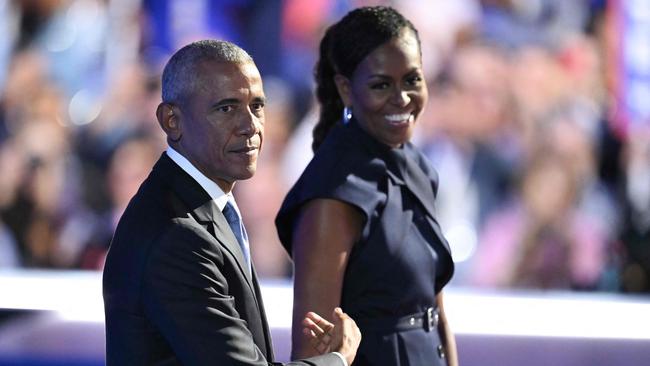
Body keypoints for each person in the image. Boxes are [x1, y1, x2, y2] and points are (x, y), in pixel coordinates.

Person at [102, 40, 361, 366]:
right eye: (226, 108)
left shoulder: (203, 207)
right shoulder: (177, 236)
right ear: (172, 120)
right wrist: (338, 359)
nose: (250, 125)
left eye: (257, 106)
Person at [276, 6, 457, 366]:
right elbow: (314, 351)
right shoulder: (331, 194)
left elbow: (433, 308)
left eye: (412, 79)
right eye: (380, 84)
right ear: (346, 89)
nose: (402, 98)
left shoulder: (417, 166)